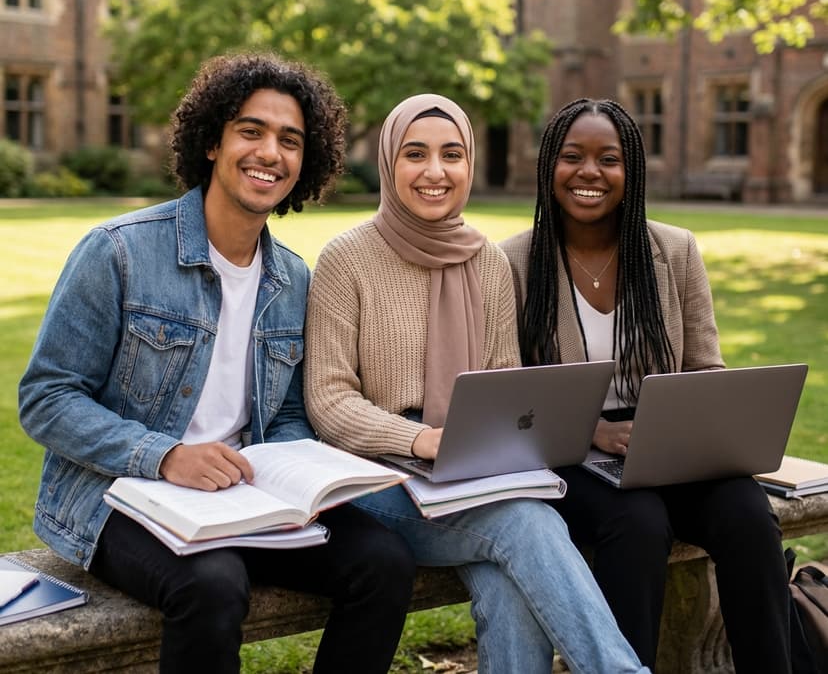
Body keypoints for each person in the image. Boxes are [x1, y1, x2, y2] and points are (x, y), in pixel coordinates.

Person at [18, 53, 416, 674]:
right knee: (213, 583)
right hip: (119, 495)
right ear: (212, 143)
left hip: (238, 499)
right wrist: (167, 455)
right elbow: (47, 399)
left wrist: (295, 475)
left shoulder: (292, 279)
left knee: (384, 561)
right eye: (250, 131)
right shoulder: (117, 252)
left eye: (290, 140)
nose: (270, 153)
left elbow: (284, 411)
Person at [303, 93, 648, 674]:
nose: (435, 171)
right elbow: (329, 402)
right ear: (390, 162)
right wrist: (421, 441)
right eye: (416, 153)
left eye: (452, 154)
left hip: (473, 464)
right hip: (376, 475)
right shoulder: (347, 259)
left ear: (469, 165)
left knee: (508, 576)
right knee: (526, 522)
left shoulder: (487, 261)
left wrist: (491, 438)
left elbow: (506, 385)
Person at [500, 97, 792, 673]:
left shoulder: (674, 250)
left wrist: (688, 429)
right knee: (637, 523)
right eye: (571, 157)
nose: (590, 173)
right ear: (547, 169)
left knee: (748, 515)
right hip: (569, 447)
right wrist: (594, 432)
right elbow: (512, 392)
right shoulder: (513, 261)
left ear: (630, 170)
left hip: (667, 436)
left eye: (609, 159)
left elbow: (706, 367)